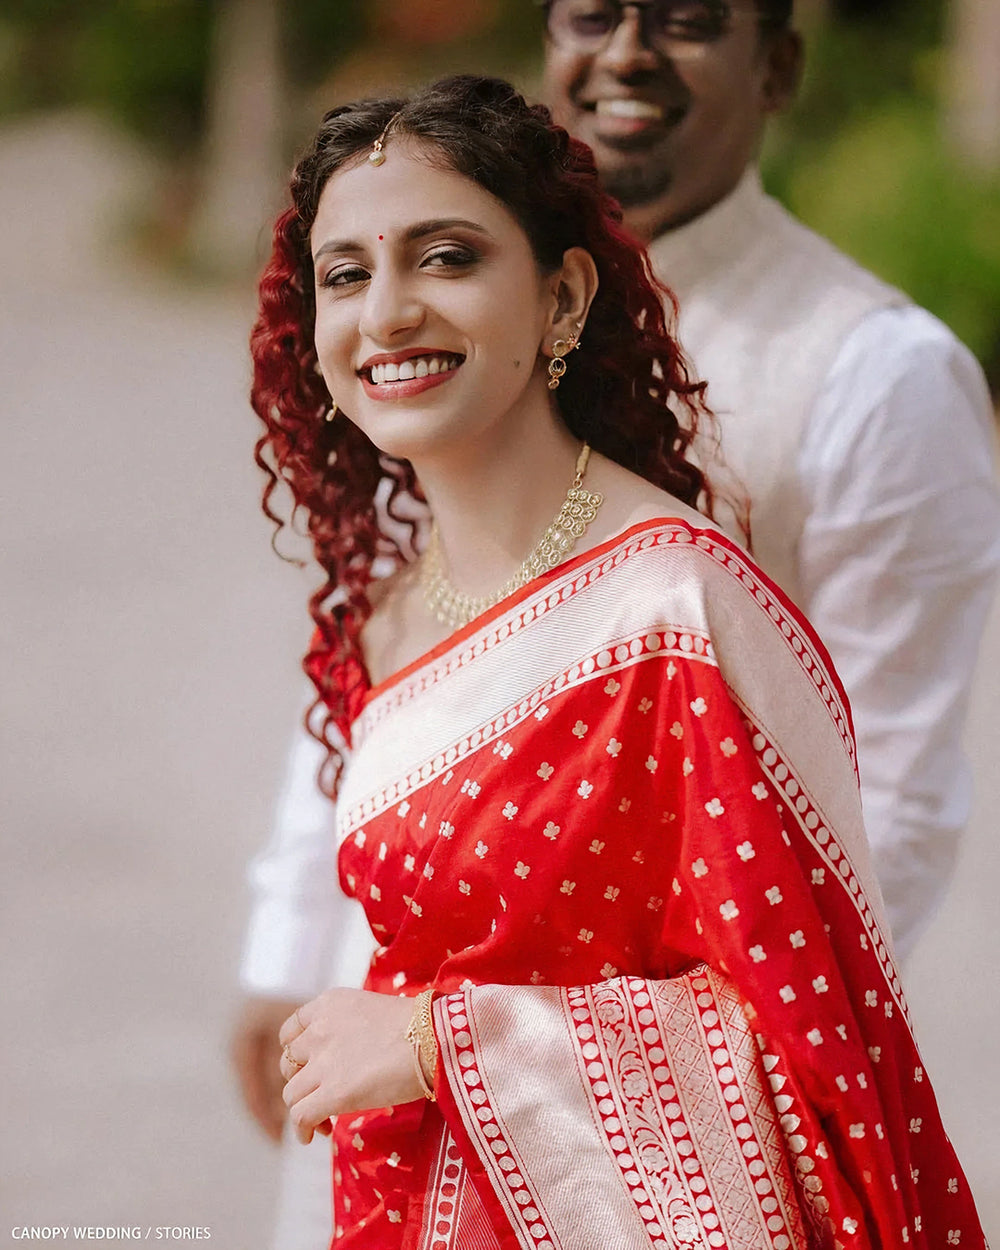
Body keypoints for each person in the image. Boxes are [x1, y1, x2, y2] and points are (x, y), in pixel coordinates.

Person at [235, 6, 1000, 1241]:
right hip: (384, 1153)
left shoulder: (692, 592)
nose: (386, 315)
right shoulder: (396, 578)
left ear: (563, 295)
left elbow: (819, 984)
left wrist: (447, 1044)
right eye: (345, 274)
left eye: (446, 257)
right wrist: (294, 972)